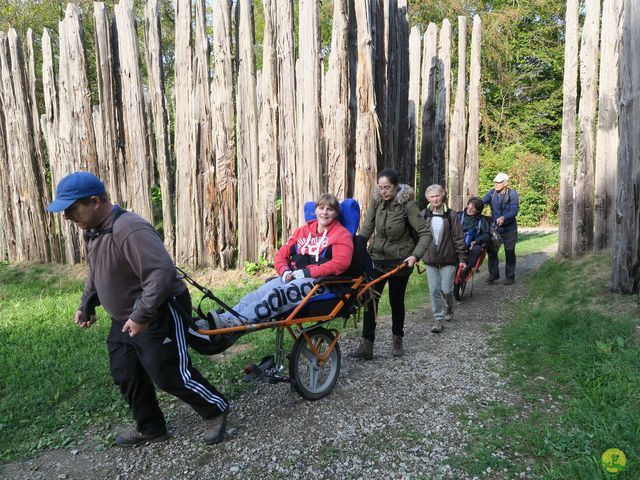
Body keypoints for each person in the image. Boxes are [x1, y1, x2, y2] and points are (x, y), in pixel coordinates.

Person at [47, 172, 229, 447]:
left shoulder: (128, 228)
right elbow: (97, 271)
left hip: (158, 311)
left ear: (95, 201)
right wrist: (87, 303)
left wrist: (141, 315)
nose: (67, 217)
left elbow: (161, 274)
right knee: (125, 373)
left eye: (72, 208)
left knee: (168, 373)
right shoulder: (93, 232)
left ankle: (215, 410)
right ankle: (151, 428)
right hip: (124, 317)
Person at [209, 193, 354, 328]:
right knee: (256, 295)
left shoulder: (342, 234)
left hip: (320, 282)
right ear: (315, 211)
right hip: (293, 275)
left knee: (276, 296)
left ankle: (234, 323)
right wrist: (284, 271)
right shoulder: (302, 231)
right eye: (321, 208)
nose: (324, 212)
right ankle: (220, 320)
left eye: (330, 209)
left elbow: (341, 263)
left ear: (336, 213)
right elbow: (281, 255)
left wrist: (307, 272)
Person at [349, 169, 431, 359]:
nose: (383, 191)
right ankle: (366, 346)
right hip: (377, 260)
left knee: (396, 301)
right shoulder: (377, 203)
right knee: (371, 301)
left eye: (387, 188)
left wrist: (415, 256)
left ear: (396, 187)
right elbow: (367, 229)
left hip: (400, 262)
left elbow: (425, 233)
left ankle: (397, 341)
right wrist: (356, 252)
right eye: (380, 188)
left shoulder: (407, 206)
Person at [421, 184, 467, 333]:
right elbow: (419, 237)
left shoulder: (451, 215)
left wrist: (462, 258)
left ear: (442, 196)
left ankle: (449, 306)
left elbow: (459, 238)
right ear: (428, 198)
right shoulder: (423, 215)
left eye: (437, 195)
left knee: (447, 289)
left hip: (449, 258)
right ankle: (438, 320)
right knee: (434, 289)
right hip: (430, 259)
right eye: (432, 196)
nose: (435, 199)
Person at [482, 172, 519, 285]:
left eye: (499, 182)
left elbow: (514, 211)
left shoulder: (513, 194)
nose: (496, 184)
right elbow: (481, 202)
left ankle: (510, 276)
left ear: (505, 183)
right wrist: (473, 207)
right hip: (495, 228)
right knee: (492, 251)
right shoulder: (491, 193)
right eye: (495, 182)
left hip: (509, 228)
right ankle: (493, 275)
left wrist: (504, 217)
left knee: (509, 252)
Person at [459, 197, 490, 273]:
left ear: (478, 210)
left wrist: (475, 241)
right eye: (468, 207)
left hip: (472, 243)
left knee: (477, 249)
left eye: (472, 209)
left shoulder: (482, 220)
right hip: (458, 241)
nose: (469, 210)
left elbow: (486, 236)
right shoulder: (458, 216)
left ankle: (467, 268)